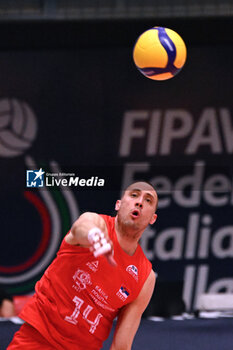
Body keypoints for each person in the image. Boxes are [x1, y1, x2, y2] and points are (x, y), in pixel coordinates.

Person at [8, 181, 158, 350]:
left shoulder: (146, 277)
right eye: (134, 195)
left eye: (148, 200)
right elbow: (83, 227)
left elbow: (122, 345)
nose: (139, 202)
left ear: (153, 218)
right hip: (37, 341)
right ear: (118, 204)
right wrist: (94, 236)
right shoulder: (95, 222)